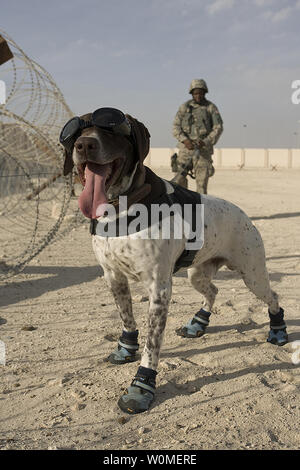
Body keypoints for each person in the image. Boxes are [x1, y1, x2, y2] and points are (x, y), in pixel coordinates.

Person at [172, 79, 223, 193]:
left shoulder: (211, 108)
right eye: (195, 93)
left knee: (201, 186)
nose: (198, 95)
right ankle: (183, 208)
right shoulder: (184, 107)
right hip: (186, 151)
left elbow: (218, 128)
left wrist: (206, 141)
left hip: (203, 151)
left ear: (204, 93)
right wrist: (185, 140)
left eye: (200, 93)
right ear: (192, 94)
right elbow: (175, 127)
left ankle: (200, 209)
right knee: (179, 182)